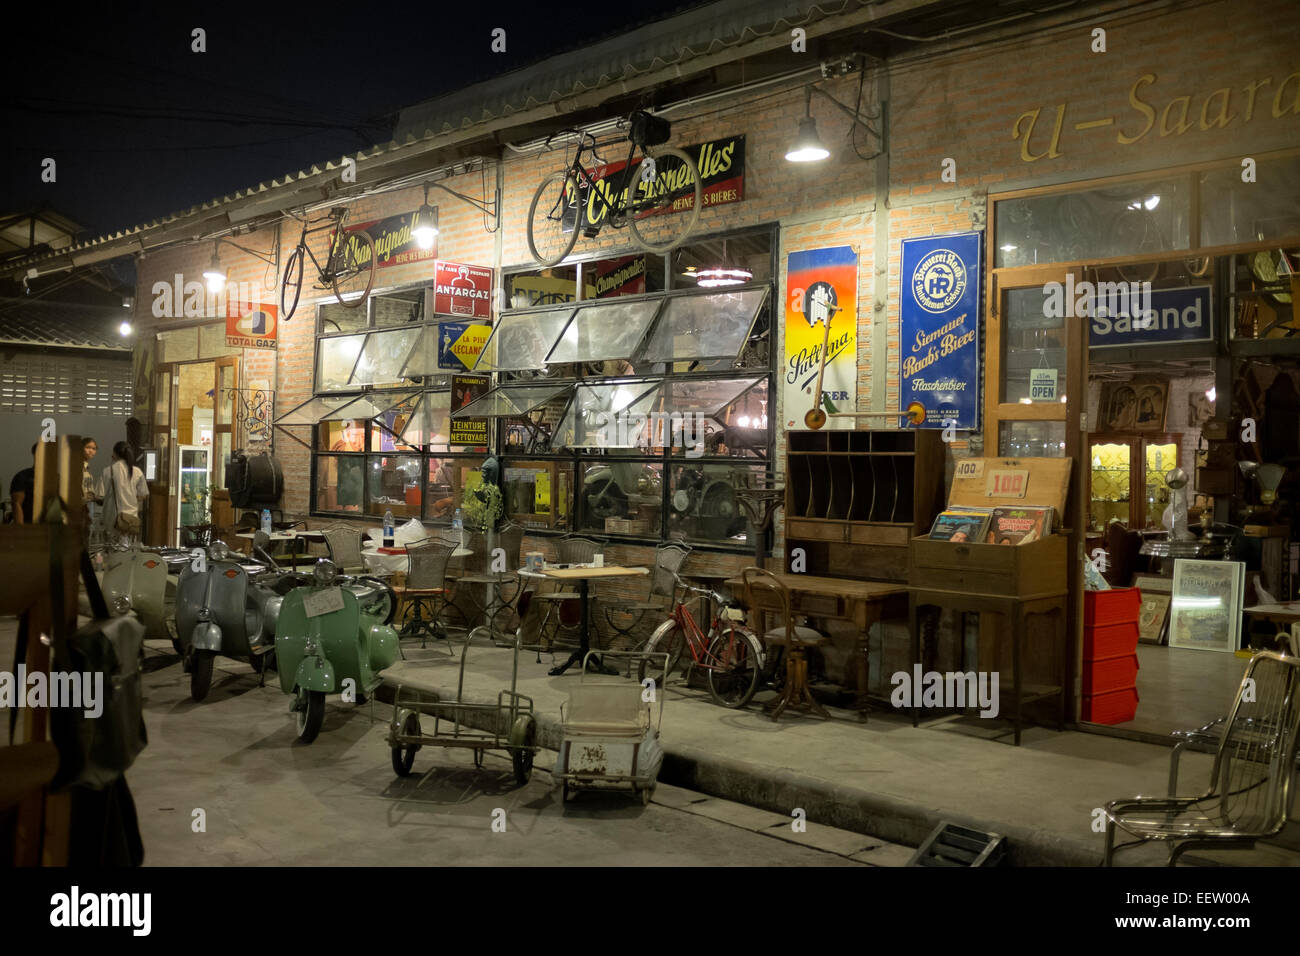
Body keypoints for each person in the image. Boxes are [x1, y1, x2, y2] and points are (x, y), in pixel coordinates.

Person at [102, 441, 148, 548]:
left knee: (114, 553)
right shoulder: (137, 471)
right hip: (131, 521)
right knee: (130, 551)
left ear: (115, 454)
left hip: (113, 519)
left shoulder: (108, 471)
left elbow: (100, 494)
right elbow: (143, 495)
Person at [81, 437, 102, 548]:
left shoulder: (87, 468)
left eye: (94, 448)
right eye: (88, 447)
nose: (91, 451)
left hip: (88, 507)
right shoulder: (77, 466)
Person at [9, 443, 37, 524]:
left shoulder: (56, 478)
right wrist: (20, 530)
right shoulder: (22, 476)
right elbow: (17, 504)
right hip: (29, 526)